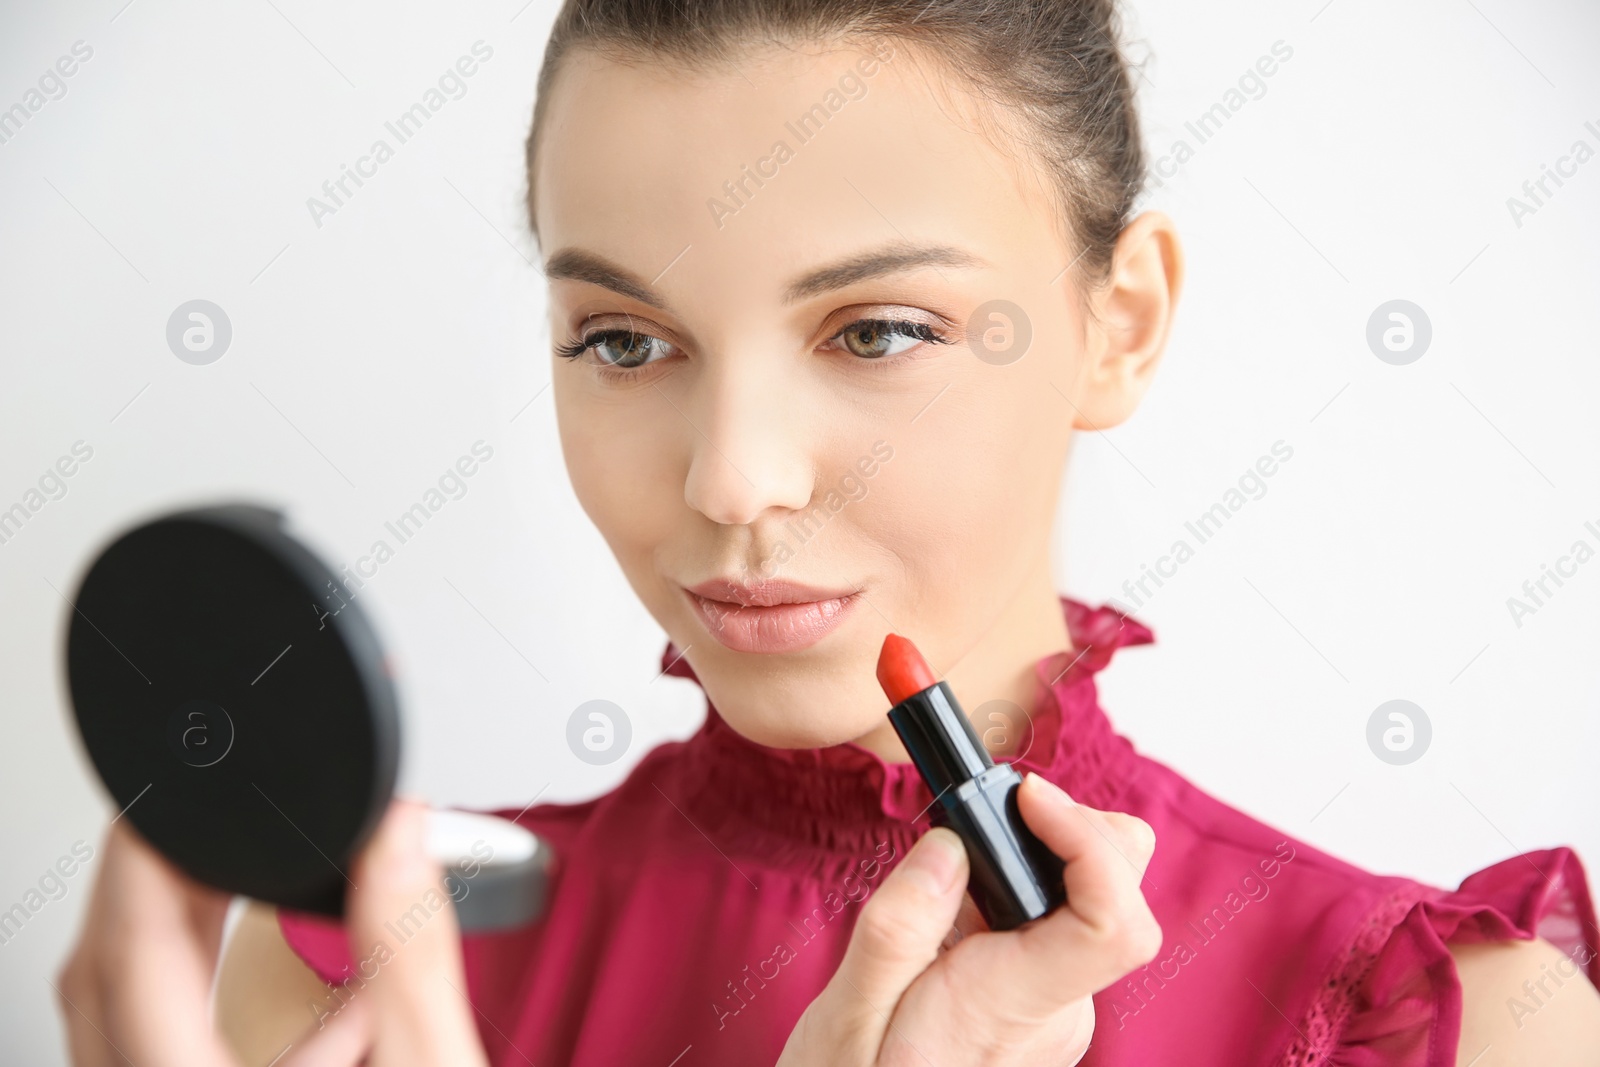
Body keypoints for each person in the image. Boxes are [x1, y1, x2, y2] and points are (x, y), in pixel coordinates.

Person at [57, 1, 1600, 1064]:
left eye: (874, 333)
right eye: (621, 341)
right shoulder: (366, 972)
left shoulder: (1454, 1024)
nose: (731, 482)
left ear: (1118, 324)